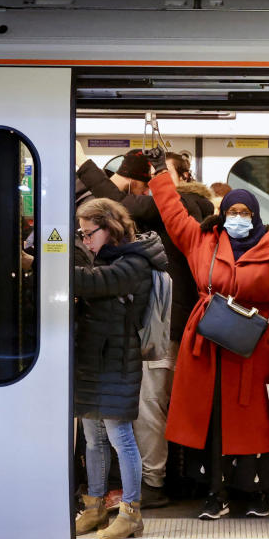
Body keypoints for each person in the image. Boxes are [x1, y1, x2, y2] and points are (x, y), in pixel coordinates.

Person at [150, 160, 269, 520]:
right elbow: (172, 214)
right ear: (222, 214)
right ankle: (215, 493)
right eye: (232, 211)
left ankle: (257, 493)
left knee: (257, 425)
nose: (238, 217)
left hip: (256, 350)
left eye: (245, 212)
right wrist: (160, 174)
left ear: (256, 215)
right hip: (208, 348)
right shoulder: (202, 239)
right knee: (213, 421)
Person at [77, 151, 214, 509]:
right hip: (157, 323)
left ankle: (151, 482)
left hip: (162, 324)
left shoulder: (184, 204)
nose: (152, 182)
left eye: (159, 173)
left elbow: (119, 204)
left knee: (148, 405)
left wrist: (85, 167)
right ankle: (139, 482)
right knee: (140, 407)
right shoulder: (172, 209)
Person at [71, 198, 169, 539]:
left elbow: (94, 283)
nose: (85, 241)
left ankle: (131, 513)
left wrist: (49, 263)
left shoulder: (135, 262)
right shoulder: (111, 258)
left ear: (109, 227)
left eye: (88, 233)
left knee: (119, 438)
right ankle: (95, 506)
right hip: (93, 357)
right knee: (92, 438)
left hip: (117, 359)